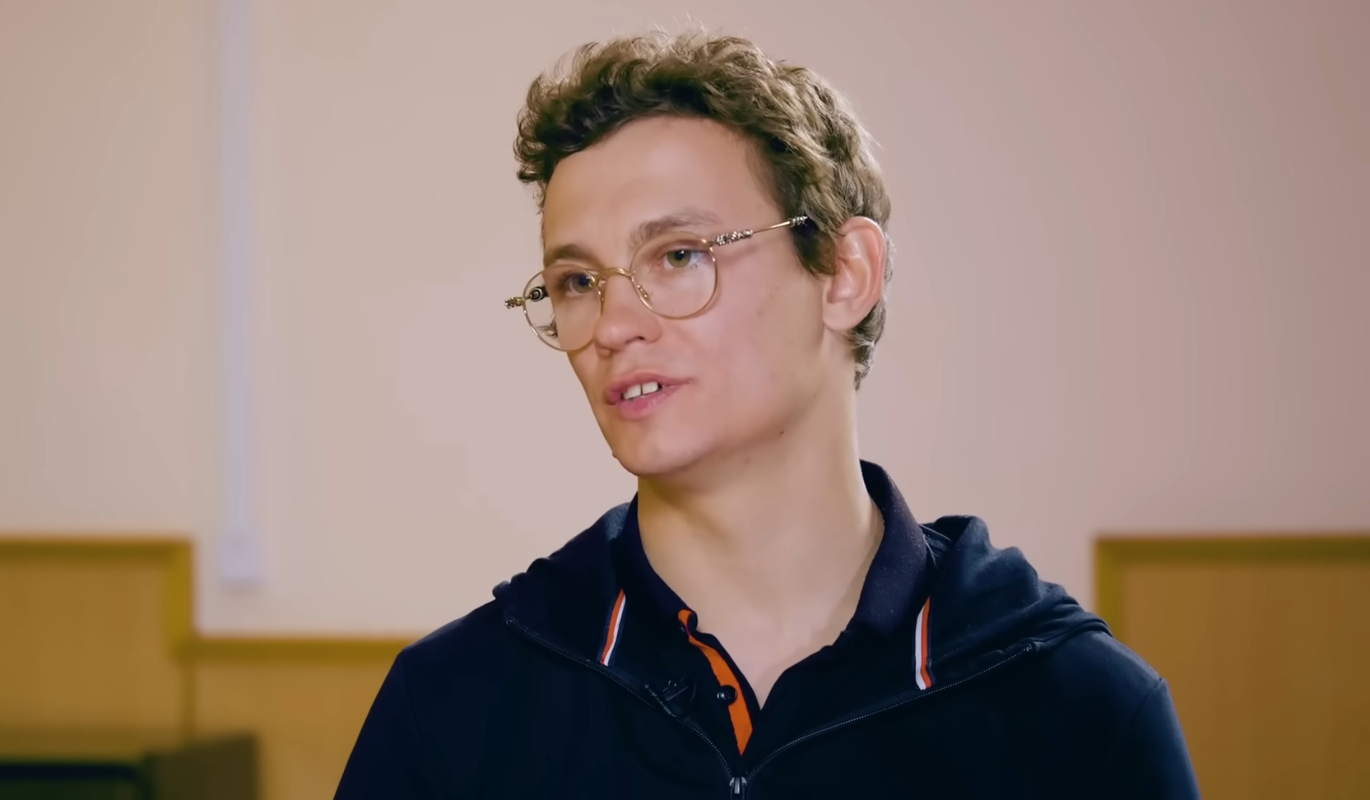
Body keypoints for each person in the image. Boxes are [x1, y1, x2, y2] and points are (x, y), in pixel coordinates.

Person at [336, 30, 1199, 799]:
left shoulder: (1079, 710)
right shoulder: (453, 705)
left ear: (845, 275)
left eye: (679, 255)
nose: (613, 323)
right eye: (577, 281)